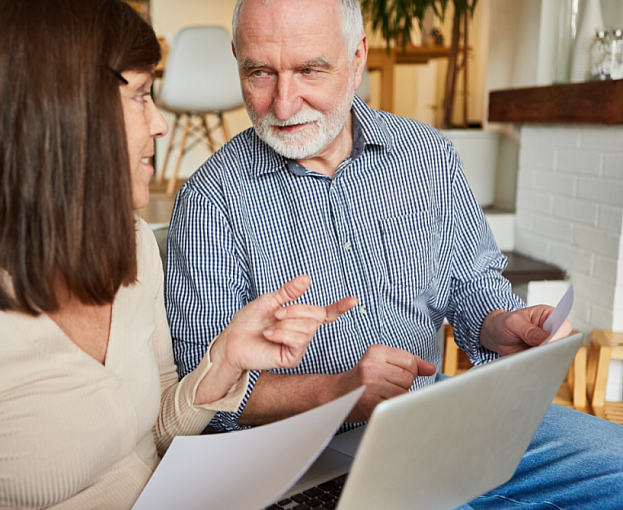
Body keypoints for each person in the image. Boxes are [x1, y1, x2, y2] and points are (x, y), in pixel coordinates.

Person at [0, 1, 356, 509]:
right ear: (63, 108)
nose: (159, 124)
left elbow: (150, 433)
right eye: (140, 96)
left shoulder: (130, 245)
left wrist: (224, 360)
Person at [166, 0, 623, 507]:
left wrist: (498, 321)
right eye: (259, 73)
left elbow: (471, 283)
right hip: (297, 450)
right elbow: (205, 389)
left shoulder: (427, 155)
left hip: (429, 414)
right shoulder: (211, 201)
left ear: (357, 56)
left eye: (310, 70)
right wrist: (336, 392)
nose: (283, 103)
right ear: (237, 59)